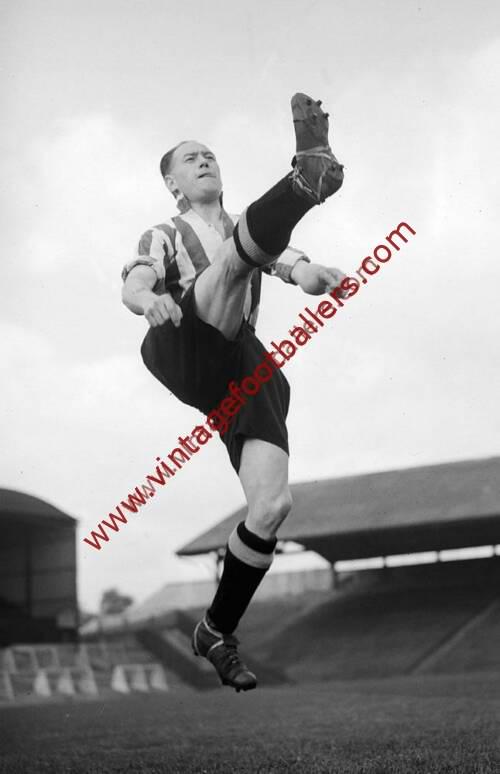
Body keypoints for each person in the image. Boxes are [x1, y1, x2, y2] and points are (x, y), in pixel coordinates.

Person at [121, 92, 346, 692]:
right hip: (183, 341)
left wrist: (314, 275)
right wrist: (148, 300)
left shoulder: (248, 230)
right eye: (190, 158)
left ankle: (216, 630)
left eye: (210, 155)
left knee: (272, 507)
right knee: (231, 262)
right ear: (172, 183)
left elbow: (289, 263)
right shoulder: (165, 233)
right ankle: (304, 183)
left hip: (242, 369)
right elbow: (136, 281)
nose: (204, 161)